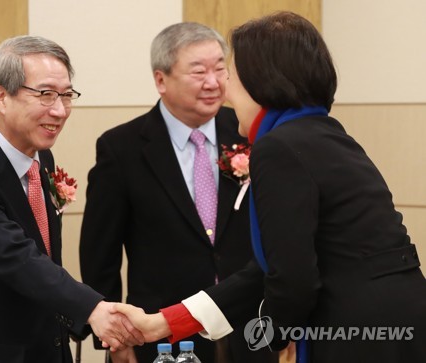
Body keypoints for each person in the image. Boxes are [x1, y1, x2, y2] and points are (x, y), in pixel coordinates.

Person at [114, 11, 426, 363]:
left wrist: (275, 333)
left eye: (229, 75)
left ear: (259, 82)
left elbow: (292, 279)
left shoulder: (279, 147)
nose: (225, 90)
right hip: (393, 322)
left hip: (356, 330)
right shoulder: (325, 133)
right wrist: (165, 323)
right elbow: (273, 268)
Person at [0, 35, 144, 363]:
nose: (59, 110)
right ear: (1, 96)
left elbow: (45, 260)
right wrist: (94, 310)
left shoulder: (42, 160)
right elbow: (19, 259)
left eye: (66, 96)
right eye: (45, 95)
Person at [79, 22, 276, 363]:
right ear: (161, 80)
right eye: (199, 71)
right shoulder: (121, 148)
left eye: (220, 69)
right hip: (161, 336)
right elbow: (100, 256)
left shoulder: (250, 134)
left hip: (250, 329)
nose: (214, 83)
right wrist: (114, 338)